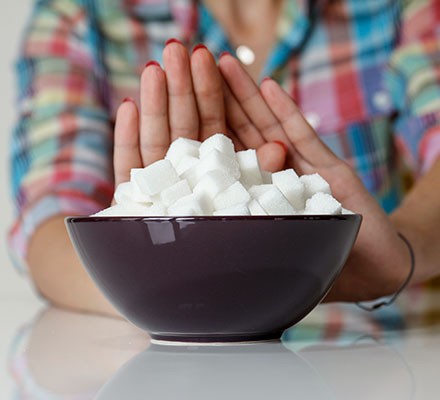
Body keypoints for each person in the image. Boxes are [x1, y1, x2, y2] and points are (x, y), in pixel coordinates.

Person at [9, 0, 440, 316]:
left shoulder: (397, 8)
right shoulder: (80, 16)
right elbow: (48, 220)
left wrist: (400, 253)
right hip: (158, 374)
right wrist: (169, 294)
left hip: (380, 364)